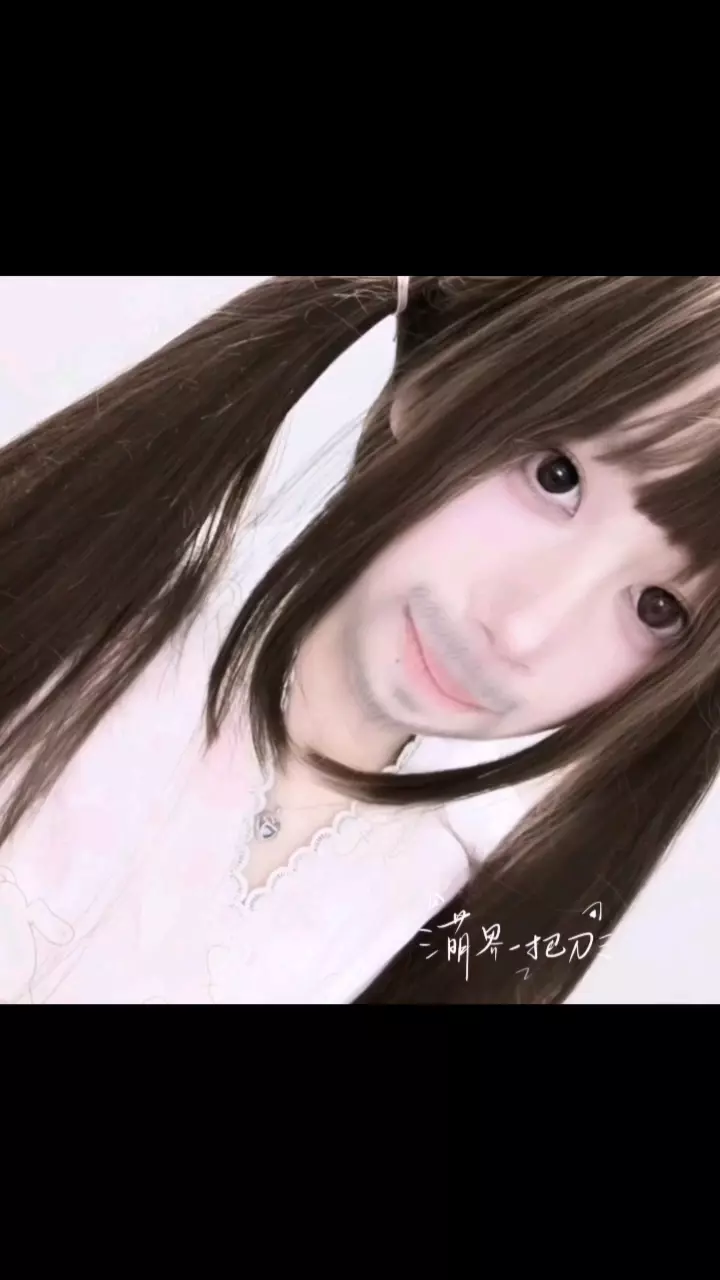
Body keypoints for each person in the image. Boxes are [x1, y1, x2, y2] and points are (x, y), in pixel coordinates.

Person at [1, 274, 719, 1004]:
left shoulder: (456, 916)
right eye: (555, 476)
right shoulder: (91, 614)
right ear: (437, 382)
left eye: (658, 608)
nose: (524, 629)